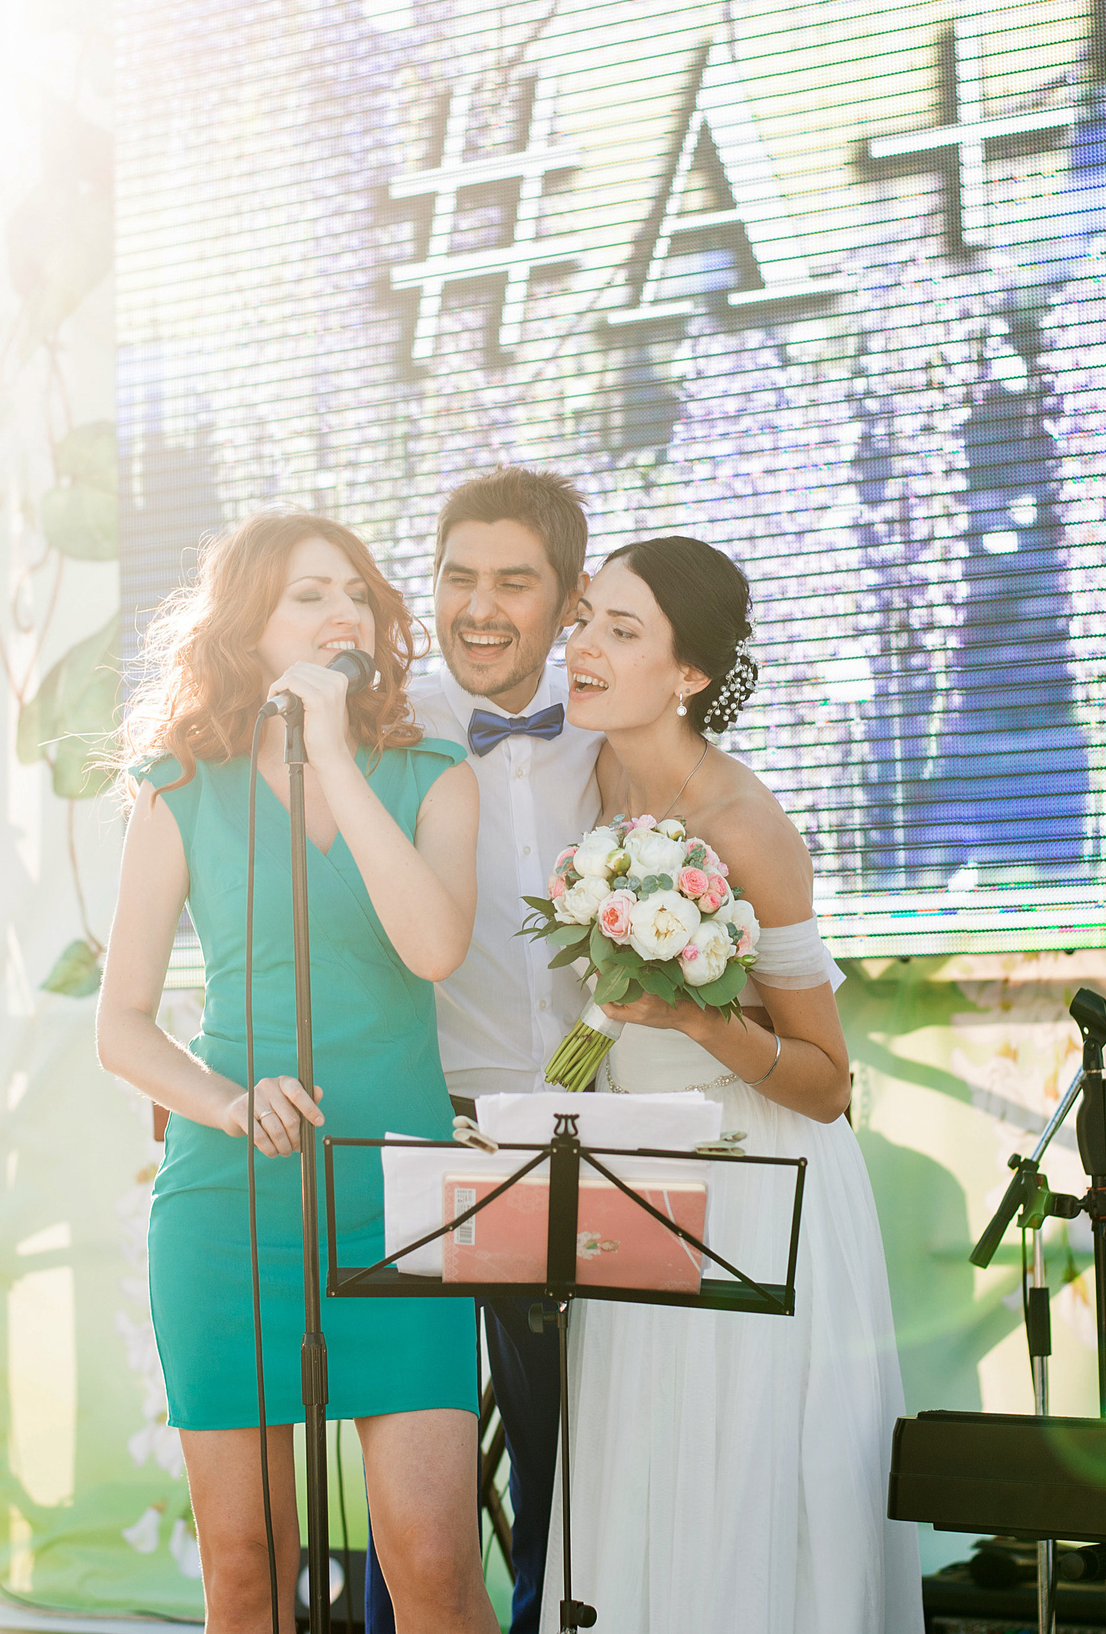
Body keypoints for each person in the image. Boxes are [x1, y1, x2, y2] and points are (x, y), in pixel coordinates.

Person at [97, 508, 499, 1634]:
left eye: (357, 594)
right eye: (309, 595)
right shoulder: (181, 786)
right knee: (245, 1569)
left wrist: (331, 755)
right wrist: (228, 1103)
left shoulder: (433, 775)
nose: (342, 614)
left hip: (399, 1201)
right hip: (229, 1207)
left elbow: (433, 947)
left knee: (433, 1564)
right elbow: (121, 1026)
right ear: (249, 627)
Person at [538, 535, 924, 1632]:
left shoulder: (746, 828)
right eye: (585, 620)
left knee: (740, 1494)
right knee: (641, 1486)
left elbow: (829, 1081)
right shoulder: (590, 778)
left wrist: (698, 1018)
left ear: (690, 674)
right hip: (638, 1174)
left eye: (622, 631)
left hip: (759, 1187)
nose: (584, 647)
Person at [366, 467, 601, 1634]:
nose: (478, 606)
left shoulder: (608, 722)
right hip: (423, 1114)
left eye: (513, 581)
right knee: (414, 1457)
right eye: (457, 576)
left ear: (569, 599)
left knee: (566, 1453)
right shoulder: (386, 726)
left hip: (579, 1130)